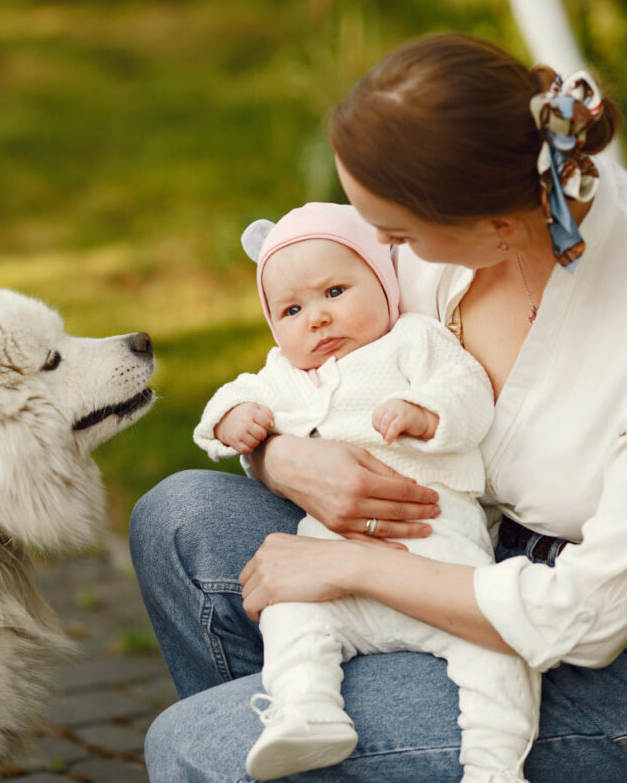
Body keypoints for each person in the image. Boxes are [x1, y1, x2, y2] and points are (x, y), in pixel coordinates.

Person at [130, 32, 627, 782]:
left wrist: (348, 565)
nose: (379, 247)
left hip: (623, 664)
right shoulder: (476, 224)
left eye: (395, 234)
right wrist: (283, 457)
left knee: (195, 744)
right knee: (177, 519)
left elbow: (587, 619)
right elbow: (321, 375)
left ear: (497, 230)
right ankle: (304, 726)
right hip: (451, 538)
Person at [193, 201, 538, 782]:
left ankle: (495, 763)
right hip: (331, 578)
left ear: (383, 283)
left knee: (495, 648)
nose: (318, 319)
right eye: (292, 310)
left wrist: (426, 412)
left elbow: (468, 389)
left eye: (334, 292)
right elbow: (229, 397)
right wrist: (235, 420)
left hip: (436, 555)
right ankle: (307, 712)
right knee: (289, 614)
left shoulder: (412, 341)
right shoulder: (284, 374)